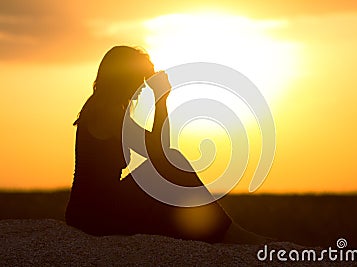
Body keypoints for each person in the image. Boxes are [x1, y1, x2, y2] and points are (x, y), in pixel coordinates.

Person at [65, 46, 266, 244]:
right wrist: (160, 98)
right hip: (94, 213)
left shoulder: (109, 107)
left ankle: (222, 231)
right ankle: (228, 232)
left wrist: (160, 98)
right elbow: (161, 151)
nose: (144, 84)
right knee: (174, 161)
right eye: (142, 76)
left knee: (170, 184)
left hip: (102, 205)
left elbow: (160, 149)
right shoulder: (106, 112)